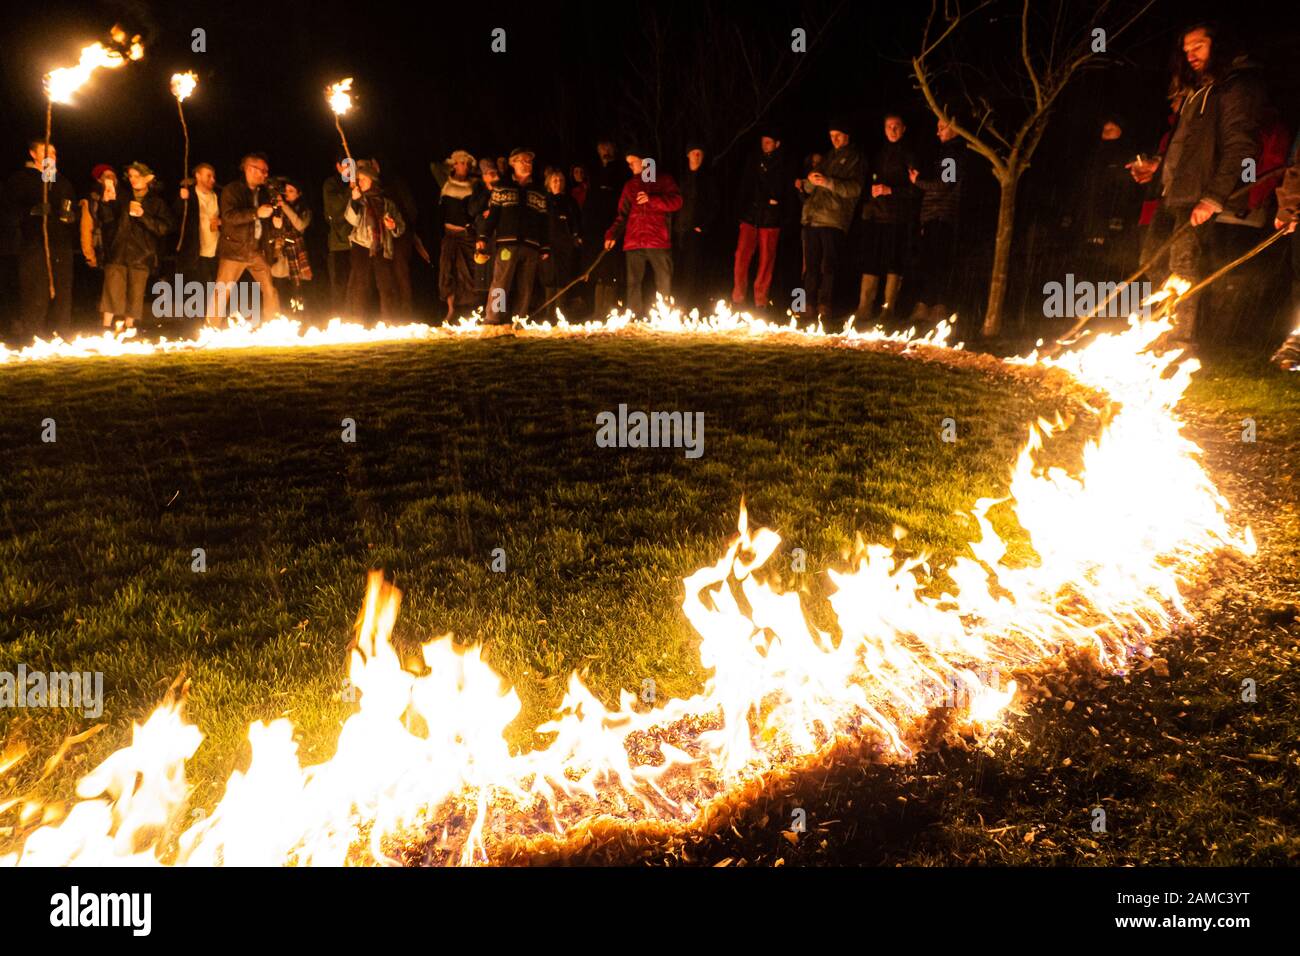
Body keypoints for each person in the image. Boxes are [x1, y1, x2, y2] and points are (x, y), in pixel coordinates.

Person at [1128, 22, 1263, 344]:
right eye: (1186, 50)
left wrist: (1214, 198)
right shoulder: (1197, 90)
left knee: (1182, 267)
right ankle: (1162, 331)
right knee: (1151, 261)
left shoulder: (1237, 86)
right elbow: (1187, 146)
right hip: (1173, 191)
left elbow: (1241, 147)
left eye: (1198, 46)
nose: (1190, 55)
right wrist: (1157, 166)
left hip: (1199, 195)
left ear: (1219, 43)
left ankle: (1178, 344)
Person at [1, 140, 77, 342]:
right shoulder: (21, 179)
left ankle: (61, 331)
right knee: (36, 290)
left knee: (62, 289)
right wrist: (32, 211)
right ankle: (32, 333)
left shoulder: (61, 181)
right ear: (33, 154)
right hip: (33, 243)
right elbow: (8, 210)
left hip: (60, 244)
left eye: (53, 151)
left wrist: (69, 216)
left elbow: (71, 207)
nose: (51, 155)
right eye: (45, 151)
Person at [1064, 117, 1144, 285]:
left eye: (1111, 129)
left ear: (1121, 131)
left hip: (1113, 223)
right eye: (1104, 130)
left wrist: (1118, 217)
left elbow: (1126, 191)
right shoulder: (1093, 155)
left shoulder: (1126, 157)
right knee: (1084, 269)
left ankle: (1111, 304)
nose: (1106, 134)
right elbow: (1083, 187)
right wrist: (1071, 215)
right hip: (1089, 222)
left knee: (1109, 270)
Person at [604, 145, 682, 317]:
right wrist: (612, 234)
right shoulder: (630, 185)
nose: (630, 166)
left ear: (645, 162)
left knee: (663, 281)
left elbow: (676, 201)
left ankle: (665, 316)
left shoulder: (663, 180)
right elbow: (622, 214)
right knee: (633, 283)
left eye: (633, 162)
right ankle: (633, 316)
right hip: (634, 241)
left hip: (657, 240)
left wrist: (652, 199)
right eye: (628, 163)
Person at [96, 162, 174, 331]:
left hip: (142, 255)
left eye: (137, 176)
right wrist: (105, 202)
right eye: (130, 176)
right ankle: (106, 329)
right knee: (112, 292)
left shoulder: (156, 203)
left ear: (147, 178)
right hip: (118, 252)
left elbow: (164, 228)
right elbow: (106, 220)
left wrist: (143, 216)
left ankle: (130, 329)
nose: (132, 179)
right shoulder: (122, 197)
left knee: (135, 295)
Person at [798, 120, 862, 324]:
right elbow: (810, 188)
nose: (834, 139)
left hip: (833, 219)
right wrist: (809, 181)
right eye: (832, 135)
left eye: (839, 135)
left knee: (829, 265)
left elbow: (855, 189)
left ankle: (825, 307)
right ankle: (807, 305)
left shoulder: (855, 158)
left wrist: (828, 182)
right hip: (812, 218)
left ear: (847, 136)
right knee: (811, 265)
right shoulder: (827, 157)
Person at [477, 147, 550, 324]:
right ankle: (495, 318)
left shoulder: (539, 191)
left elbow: (543, 222)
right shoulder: (502, 188)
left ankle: (519, 320)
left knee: (525, 286)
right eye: (523, 161)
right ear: (513, 163)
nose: (527, 164)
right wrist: (482, 238)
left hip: (531, 246)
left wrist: (545, 246)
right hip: (507, 245)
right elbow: (493, 215)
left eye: (529, 161)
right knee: (501, 283)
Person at [856, 113, 917, 323]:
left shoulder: (910, 154)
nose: (892, 130)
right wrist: (870, 200)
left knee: (893, 262)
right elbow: (870, 181)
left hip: (897, 217)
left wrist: (890, 190)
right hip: (876, 216)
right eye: (888, 126)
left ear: (904, 128)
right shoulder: (879, 153)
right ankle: (864, 308)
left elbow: (914, 189)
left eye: (896, 126)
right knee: (871, 260)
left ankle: (887, 310)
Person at [208, 153, 279, 327]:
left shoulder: (262, 193)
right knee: (222, 291)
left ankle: (274, 326)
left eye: (266, 171)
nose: (265, 174)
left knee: (269, 289)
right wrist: (256, 213)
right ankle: (211, 328)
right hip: (235, 250)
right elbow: (229, 217)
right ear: (249, 169)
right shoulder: (232, 190)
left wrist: (274, 221)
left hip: (255, 250)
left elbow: (263, 220)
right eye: (262, 170)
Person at [908, 117, 968, 323]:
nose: (938, 132)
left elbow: (945, 184)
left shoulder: (952, 154)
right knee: (931, 262)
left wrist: (918, 182)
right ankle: (929, 306)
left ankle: (933, 307)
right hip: (935, 216)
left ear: (955, 130)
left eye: (942, 128)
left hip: (940, 216)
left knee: (935, 263)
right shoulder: (946, 153)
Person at [733, 131, 788, 311]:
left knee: (766, 261)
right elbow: (745, 186)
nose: (765, 145)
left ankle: (760, 301)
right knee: (741, 256)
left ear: (777, 143)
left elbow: (780, 190)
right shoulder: (753, 160)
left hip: (770, 219)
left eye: (769, 141)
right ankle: (738, 298)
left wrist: (772, 204)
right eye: (763, 141)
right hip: (750, 216)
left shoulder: (782, 164)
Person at [344, 160, 406, 321]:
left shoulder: (387, 203)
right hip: (361, 246)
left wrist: (393, 226)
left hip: (382, 247)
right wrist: (355, 201)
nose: (360, 182)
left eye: (364, 179)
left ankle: (390, 321)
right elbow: (352, 220)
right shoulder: (360, 201)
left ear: (373, 180)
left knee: (386, 286)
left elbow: (401, 227)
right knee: (360, 286)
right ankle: (357, 322)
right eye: (359, 179)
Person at [431, 149, 482, 321]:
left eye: (467, 164)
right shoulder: (445, 183)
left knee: (467, 273)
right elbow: (433, 166)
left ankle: (472, 312)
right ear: (454, 165)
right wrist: (450, 162)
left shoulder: (474, 184)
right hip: (449, 234)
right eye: (461, 163)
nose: (464, 166)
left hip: (466, 234)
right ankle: (450, 310)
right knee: (447, 271)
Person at [582, 138, 628, 319]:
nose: (605, 151)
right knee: (597, 267)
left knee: (611, 267)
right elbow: (590, 199)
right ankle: (597, 310)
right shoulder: (594, 172)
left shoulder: (621, 170)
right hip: (594, 227)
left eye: (608, 147)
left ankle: (609, 310)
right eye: (602, 148)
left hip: (612, 222)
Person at [673, 142, 719, 308]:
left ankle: (691, 306)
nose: (697, 156)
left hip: (695, 231)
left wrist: (702, 226)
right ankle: (678, 306)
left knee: (693, 270)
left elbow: (714, 204)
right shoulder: (682, 177)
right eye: (694, 153)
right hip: (680, 230)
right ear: (688, 155)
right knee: (679, 269)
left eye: (700, 153)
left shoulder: (707, 178)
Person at [264, 177, 313, 313]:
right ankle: (282, 316)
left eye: (291, 191)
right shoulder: (278, 209)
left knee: (298, 290)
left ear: (299, 193)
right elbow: (272, 230)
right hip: (281, 254)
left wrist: (284, 206)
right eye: (285, 191)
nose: (287, 193)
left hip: (297, 253)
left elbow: (300, 225)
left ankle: (301, 317)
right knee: (280, 289)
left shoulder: (304, 209)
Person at [541, 166, 582, 318]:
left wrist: (576, 236)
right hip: (548, 245)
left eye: (560, 180)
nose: (558, 183)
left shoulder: (570, 201)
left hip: (566, 245)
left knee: (563, 278)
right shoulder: (544, 201)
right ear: (549, 183)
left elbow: (576, 221)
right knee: (549, 278)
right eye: (555, 180)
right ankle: (548, 314)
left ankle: (560, 313)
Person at [175, 162, 221, 288]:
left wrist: (220, 222)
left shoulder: (218, 196)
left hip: (216, 251)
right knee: (197, 288)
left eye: (213, 177)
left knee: (215, 288)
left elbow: (228, 217)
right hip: (196, 252)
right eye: (208, 176)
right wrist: (181, 199)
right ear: (198, 176)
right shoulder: (189, 194)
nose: (212, 179)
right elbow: (178, 216)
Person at [322, 155, 354, 315]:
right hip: (339, 243)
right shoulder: (331, 184)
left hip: (358, 243)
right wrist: (350, 190)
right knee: (340, 283)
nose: (349, 169)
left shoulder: (358, 182)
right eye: (345, 165)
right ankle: (339, 317)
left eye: (351, 165)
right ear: (338, 166)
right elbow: (334, 211)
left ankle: (356, 317)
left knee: (357, 284)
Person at [79, 164, 116, 271]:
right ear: (99, 180)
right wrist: (90, 257)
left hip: (119, 256)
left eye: (112, 176)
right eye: (106, 176)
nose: (110, 179)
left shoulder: (123, 197)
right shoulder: (91, 201)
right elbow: (86, 230)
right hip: (101, 253)